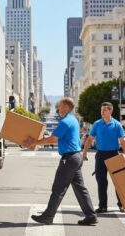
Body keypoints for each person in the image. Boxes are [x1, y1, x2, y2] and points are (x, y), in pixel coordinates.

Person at [23, 97, 97, 226]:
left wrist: (34, 142)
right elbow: (53, 137)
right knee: (80, 189)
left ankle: (48, 216)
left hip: (69, 159)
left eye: (61, 105)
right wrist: (37, 139)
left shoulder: (65, 121)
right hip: (76, 157)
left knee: (58, 188)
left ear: (67, 108)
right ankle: (91, 216)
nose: (58, 107)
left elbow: (53, 139)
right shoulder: (72, 119)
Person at [82, 102, 125, 213]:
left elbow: (123, 141)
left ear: (110, 111)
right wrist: (84, 152)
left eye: (104, 110)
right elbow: (90, 139)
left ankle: (121, 204)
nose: (102, 112)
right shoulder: (97, 124)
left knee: (118, 181)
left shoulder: (117, 124)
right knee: (101, 181)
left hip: (114, 154)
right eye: (101, 110)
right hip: (100, 155)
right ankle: (103, 206)